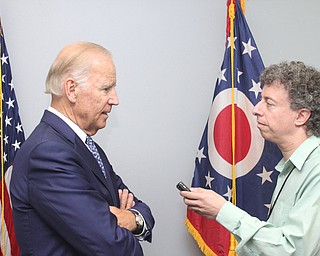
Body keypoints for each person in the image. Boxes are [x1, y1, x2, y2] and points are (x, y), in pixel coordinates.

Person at [10, 42, 155, 256]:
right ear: (72, 90)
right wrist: (114, 225)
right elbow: (111, 246)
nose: (115, 100)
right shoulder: (48, 153)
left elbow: (140, 206)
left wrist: (131, 218)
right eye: (106, 88)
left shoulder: (85, 146)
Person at [180, 61, 320, 255]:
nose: (256, 109)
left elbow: (293, 250)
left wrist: (223, 211)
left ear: (301, 116)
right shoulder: (290, 167)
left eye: (269, 104)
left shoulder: (317, 170)